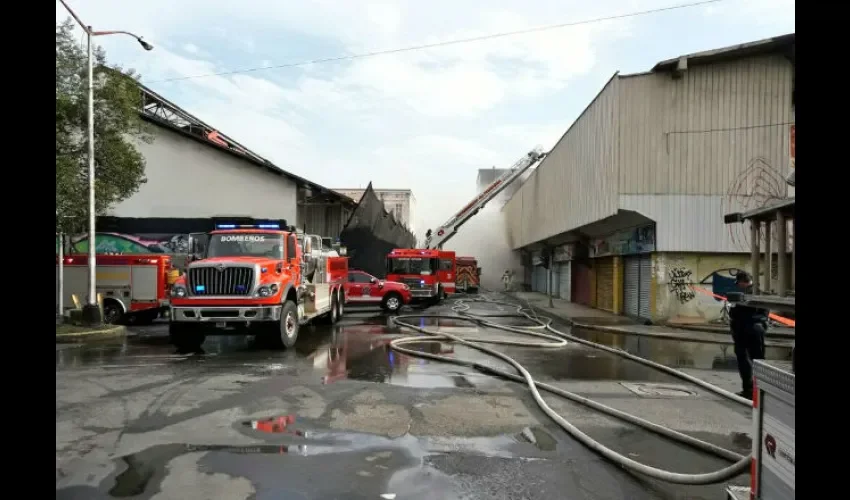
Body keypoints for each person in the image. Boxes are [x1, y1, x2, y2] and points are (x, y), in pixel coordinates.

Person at [729, 271, 769, 399]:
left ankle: (749, 389)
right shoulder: (760, 293)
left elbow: (734, 313)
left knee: (745, 360)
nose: (738, 286)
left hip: (745, 331)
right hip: (755, 330)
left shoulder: (742, 295)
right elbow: (765, 314)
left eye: (738, 283)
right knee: (757, 360)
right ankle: (758, 390)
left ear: (742, 282)